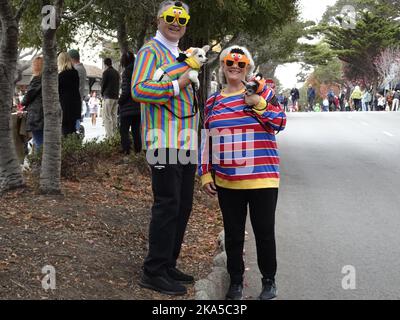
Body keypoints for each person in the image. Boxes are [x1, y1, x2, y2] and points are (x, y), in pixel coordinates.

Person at [199, 45, 286, 300]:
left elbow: (280, 122)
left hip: (263, 178)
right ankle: (235, 282)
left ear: (248, 67)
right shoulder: (213, 101)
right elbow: (208, 139)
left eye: (241, 64)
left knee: (264, 232)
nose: (235, 67)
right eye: (230, 62)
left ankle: (269, 281)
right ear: (223, 66)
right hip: (228, 181)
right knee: (234, 234)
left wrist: (258, 103)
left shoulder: (263, 92)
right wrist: (205, 172)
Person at [131, 0, 198, 296]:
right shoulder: (150, 51)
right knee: (167, 204)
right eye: (170, 17)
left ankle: (168, 263)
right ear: (159, 19)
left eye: (181, 19)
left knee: (182, 205)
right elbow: (139, 89)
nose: (176, 22)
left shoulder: (181, 54)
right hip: (162, 138)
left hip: (186, 139)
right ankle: (153, 271)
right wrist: (178, 83)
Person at [118, 50, 142, 155]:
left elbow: (126, 90)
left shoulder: (126, 72)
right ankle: (138, 150)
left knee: (124, 129)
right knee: (136, 130)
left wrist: (120, 101)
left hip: (127, 106)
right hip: (138, 105)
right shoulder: (139, 71)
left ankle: (126, 149)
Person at [21, 56, 44, 151]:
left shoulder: (37, 79)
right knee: (40, 141)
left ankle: (39, 164)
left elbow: (28, 96)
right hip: (44, 114)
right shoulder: (48, 79)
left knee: (39, 142)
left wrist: (22, 103)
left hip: (37, 114)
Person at [58, 52, 82, 136]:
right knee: (72, 129)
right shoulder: (75, 73)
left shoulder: (61, 76)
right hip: (75, 104)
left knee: (65, 130)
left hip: (65, 105)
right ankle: (73, 147)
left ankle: (68, 148)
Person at [101, 57, 120, 138]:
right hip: (116, 97)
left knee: (107, 117)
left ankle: (110, 137)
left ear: (105, 64)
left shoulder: (106, 72)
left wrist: (102, 94)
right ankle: (115, 135)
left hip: (108, 96)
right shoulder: (116, 73)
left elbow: (103, 85)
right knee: (114, 116)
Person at [68, 49, 88, 125]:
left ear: (71, 59)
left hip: (73, 102)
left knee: (73, 127)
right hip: (78, 100)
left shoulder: (76, 69)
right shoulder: (81, 68)